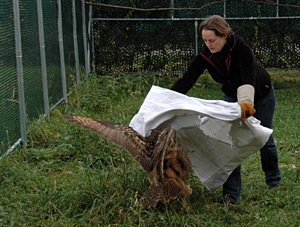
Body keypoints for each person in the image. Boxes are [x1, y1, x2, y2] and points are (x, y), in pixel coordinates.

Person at [170, 15, 281, 204]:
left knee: (265, 139)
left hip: (261, 95)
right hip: (231, 97)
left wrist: (246, 103)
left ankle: (273, 180)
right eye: (205, 40)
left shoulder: (242, 49)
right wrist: (168, 98)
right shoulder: (207, 54)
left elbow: (247, 78)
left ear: (224, 36)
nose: (208, 44)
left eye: (212, 40)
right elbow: (188, 78)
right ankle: (230, 195)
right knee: (229, 145)